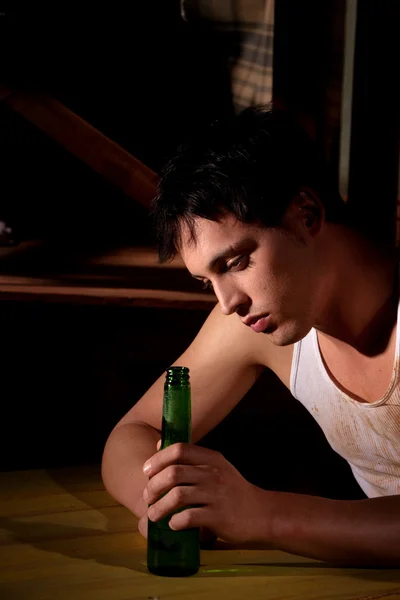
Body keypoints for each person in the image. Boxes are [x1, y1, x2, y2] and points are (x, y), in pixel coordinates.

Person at [101, 106, 400, 567]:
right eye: (207, 281)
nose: (227, 303)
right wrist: (166, 504)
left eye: (236, 263)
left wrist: (264, 515)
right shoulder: (255, 320)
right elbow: (132, 433)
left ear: (307, 214)